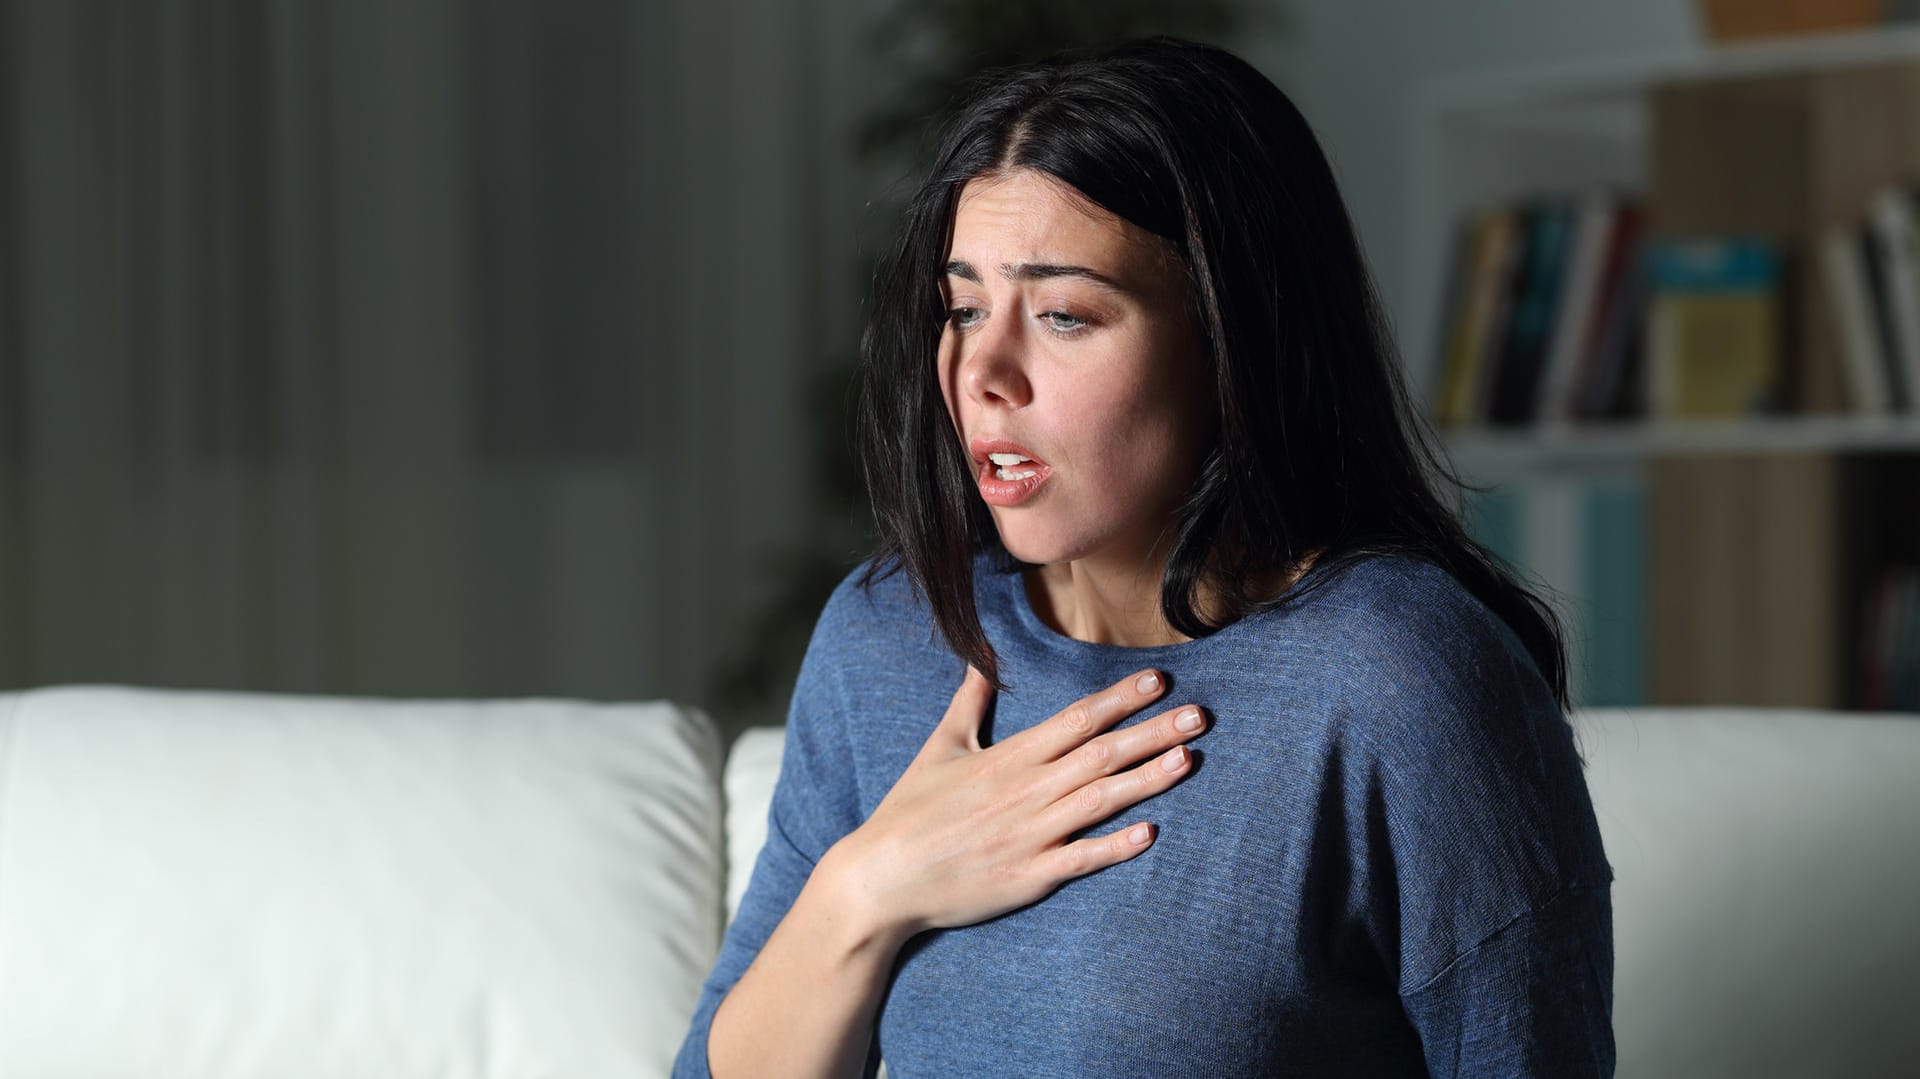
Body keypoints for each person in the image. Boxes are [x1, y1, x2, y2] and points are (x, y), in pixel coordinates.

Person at [673, 35, 1614, 1079]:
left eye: (1065, 314)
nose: (984, 371)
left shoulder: (1401, 679)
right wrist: (872, 884)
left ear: (1231, 336)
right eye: (964, 307)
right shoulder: (890, 632)